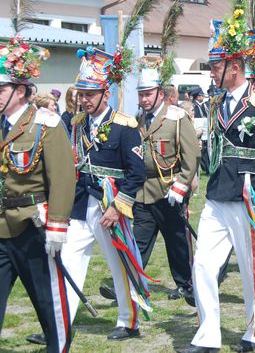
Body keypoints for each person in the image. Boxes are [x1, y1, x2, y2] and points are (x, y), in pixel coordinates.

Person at [184, 11, 255, 353]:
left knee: (251, 269)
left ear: (234, 67)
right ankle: (207, 336)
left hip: (250, 197)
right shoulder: (216, 104)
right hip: (218, 197)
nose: (211, 72)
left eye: (215, 66)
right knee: (202, 264)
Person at [62, 47, 147, 340]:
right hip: (80, 205)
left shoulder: (125, 127)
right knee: (67, 261)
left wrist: (118, 206)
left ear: (105, 94)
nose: (83, 100)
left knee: (119, 264)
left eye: (90, 94)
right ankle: (61, 322)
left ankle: (128, 321)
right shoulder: (75, 125)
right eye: (81, 94)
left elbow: (137, 172)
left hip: (109, 207)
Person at [0, 37, 75, 352]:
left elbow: (62, 177)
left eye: (1, 89)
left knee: (48, 302)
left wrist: (57, 226)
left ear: (20, 90)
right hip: (2, 227)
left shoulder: (45, 123)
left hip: (33, 227)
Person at [132, 57, 200, 303]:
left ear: (160, 93)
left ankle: (185, 284)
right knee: (139, 240)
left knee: (177, 241)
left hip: (170, 190)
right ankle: (131, 282)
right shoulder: (139, 119)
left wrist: (181, 186)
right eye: (141, 94)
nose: (144, 99)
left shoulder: (176, 117)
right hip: (144, 191)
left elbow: (191, 155)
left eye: (148, 94)